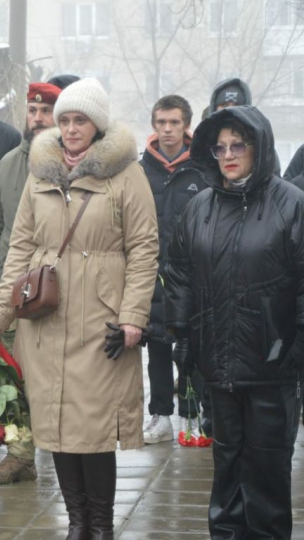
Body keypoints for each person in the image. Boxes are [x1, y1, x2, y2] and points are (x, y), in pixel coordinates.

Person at [0, 79, 159, 540]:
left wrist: (133, 316)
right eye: (64, 120)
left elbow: (144, 248)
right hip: (45, 319)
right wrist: (0, 313)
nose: (71, 128)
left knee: (92, 428)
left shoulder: (126, 174)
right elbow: (20, 246)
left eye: (80, 120)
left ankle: (101, 529)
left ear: (97, 124)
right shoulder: (40, 174)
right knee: (56, 426)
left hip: (101, 322)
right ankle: (76, 526)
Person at [166, 105, 304, 540]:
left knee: (268, 454)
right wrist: (182, 333)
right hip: (217, 352)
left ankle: (266, 538)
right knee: (227, 451)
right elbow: (180, 273)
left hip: (272, 355)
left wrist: (297, 345)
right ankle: (227, 533)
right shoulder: (200, 206)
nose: (228, 155)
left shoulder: (291, 203)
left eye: (237, 146)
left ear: (258, 148)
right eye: (220, 147)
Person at [0, 79, 71, 485]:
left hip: (61, 289)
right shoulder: (8, 165)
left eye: (45, 111)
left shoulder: (72, 163)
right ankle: (21, 455)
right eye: (32, 111)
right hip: (16, 288)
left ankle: (69, 448)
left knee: (61, 374)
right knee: (16, 374)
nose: (37, 118)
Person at [139, 95, 208, 444]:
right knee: (157, 346)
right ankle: (161, 415)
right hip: (151, 272)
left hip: (190, 275)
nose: (167, 129)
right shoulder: (140, 170)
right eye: (161, 122)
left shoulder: (202, 168)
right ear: (154, 125)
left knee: (190, 346)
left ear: (186, 125)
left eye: (174, 122)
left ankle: (192, 415)